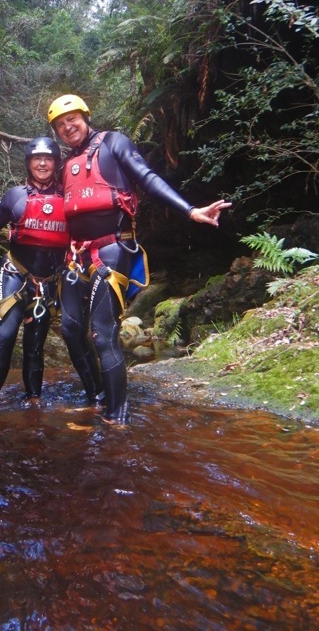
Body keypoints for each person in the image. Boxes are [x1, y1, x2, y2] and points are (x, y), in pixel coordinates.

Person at [47, 94, 232, 425]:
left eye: (71, 119)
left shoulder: (114, 143)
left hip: (112, 250)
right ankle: (97, 399)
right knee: (71, 330)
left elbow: (147, 178)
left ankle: (116, 417)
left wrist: (189, 210)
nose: (67, 127)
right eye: (60, 125)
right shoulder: (65, 167)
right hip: (75, 257)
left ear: (85, 116)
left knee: (103, 334)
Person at [0, 137, 70, 412]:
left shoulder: (68, 198)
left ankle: (34, 400)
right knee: (5, 336)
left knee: (36, 345)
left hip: (47, 283)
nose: (42, 163)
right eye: (37, 159)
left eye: (48, 158)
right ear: (28, 163)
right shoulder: (16, 195)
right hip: (15, 275)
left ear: (56, 164)